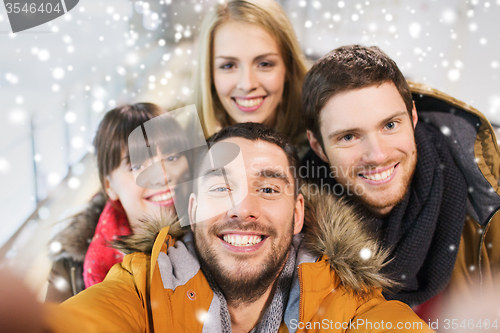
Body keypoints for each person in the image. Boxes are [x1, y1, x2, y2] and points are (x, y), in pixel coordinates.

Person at [42, 122, 432, 332]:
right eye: (220, 186)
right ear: (191, 209)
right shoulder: (142, 287)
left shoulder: (349, 308)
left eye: (267, 187)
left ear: (298, 215)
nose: (244, 208)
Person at [301, 45, 500, 319]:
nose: (378, 155)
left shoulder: (488, 214)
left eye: (390, 125)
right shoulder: (294, 239)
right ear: (318, 146)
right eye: (348, 137)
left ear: (413, 117)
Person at [46, 103, 191, 302]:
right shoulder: (71, 271)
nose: (162, 176)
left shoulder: (218, 235)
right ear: (109, 186)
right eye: (137, 166)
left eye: (172, 157)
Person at [192, 0, 308, 146]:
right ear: (209, 74)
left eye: (264, 64)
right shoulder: (178, 144)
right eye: (228, 66)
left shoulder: (319, 144)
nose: (247, 85)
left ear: (289, 68)